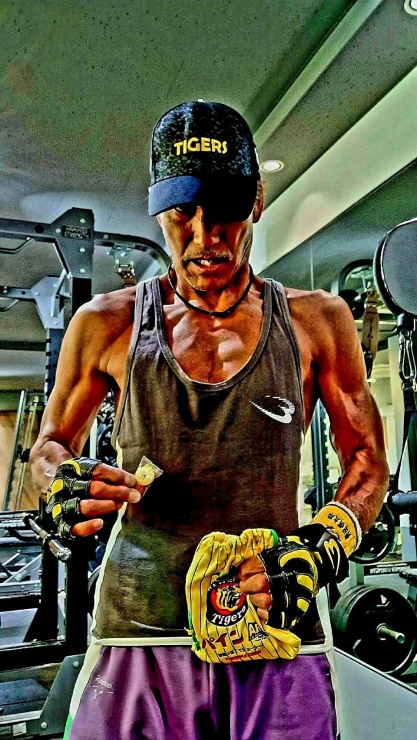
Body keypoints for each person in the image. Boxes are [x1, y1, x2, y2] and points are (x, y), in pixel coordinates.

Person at [29, 100, 389, 740]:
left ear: (257, 200)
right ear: (158, 210)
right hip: (140, 630)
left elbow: (367, 460)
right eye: (182, 212)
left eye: (224, 208)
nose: (204, 236)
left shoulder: (318, 321)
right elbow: (51, 445)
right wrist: (62, 483)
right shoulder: (106, 324)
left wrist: (322, 546)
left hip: (275, 627)